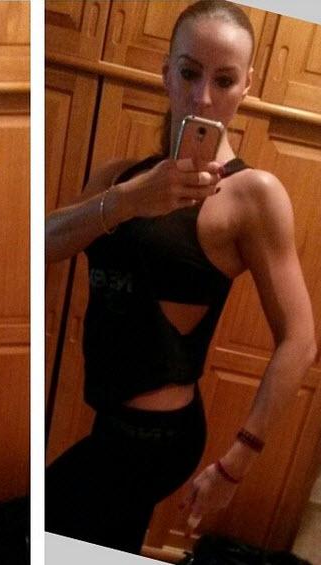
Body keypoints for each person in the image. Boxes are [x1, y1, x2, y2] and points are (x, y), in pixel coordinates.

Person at [45, 0, 317, 555]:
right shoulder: (121, 176)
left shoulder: (252, 195)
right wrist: (127, 200)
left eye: (224, 80)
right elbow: (46, 243)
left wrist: (238, 460)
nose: (204, 97)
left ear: (246, 87)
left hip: (156, 438)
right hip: (108, 423)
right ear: (166, 73)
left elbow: (300, 340)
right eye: (190, 73)